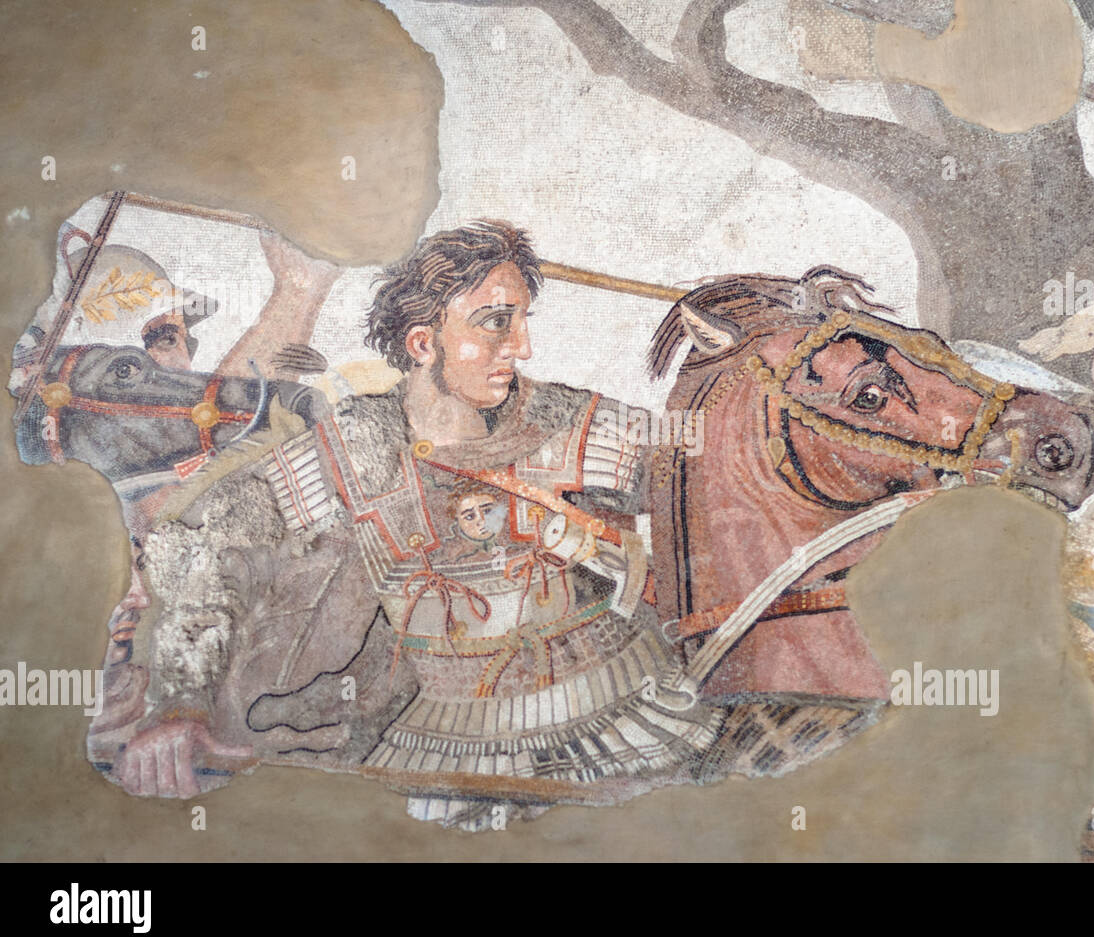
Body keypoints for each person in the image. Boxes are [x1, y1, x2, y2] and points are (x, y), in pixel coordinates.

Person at [109, 221, 720, 825]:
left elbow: (713, 472)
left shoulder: (570, 422)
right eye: (496, 321)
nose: (523, 347)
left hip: (636, 717)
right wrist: (182, 702)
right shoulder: (352, 447)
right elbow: (213, 556)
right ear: (424, 343)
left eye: (523, 319)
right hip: (437, 750)